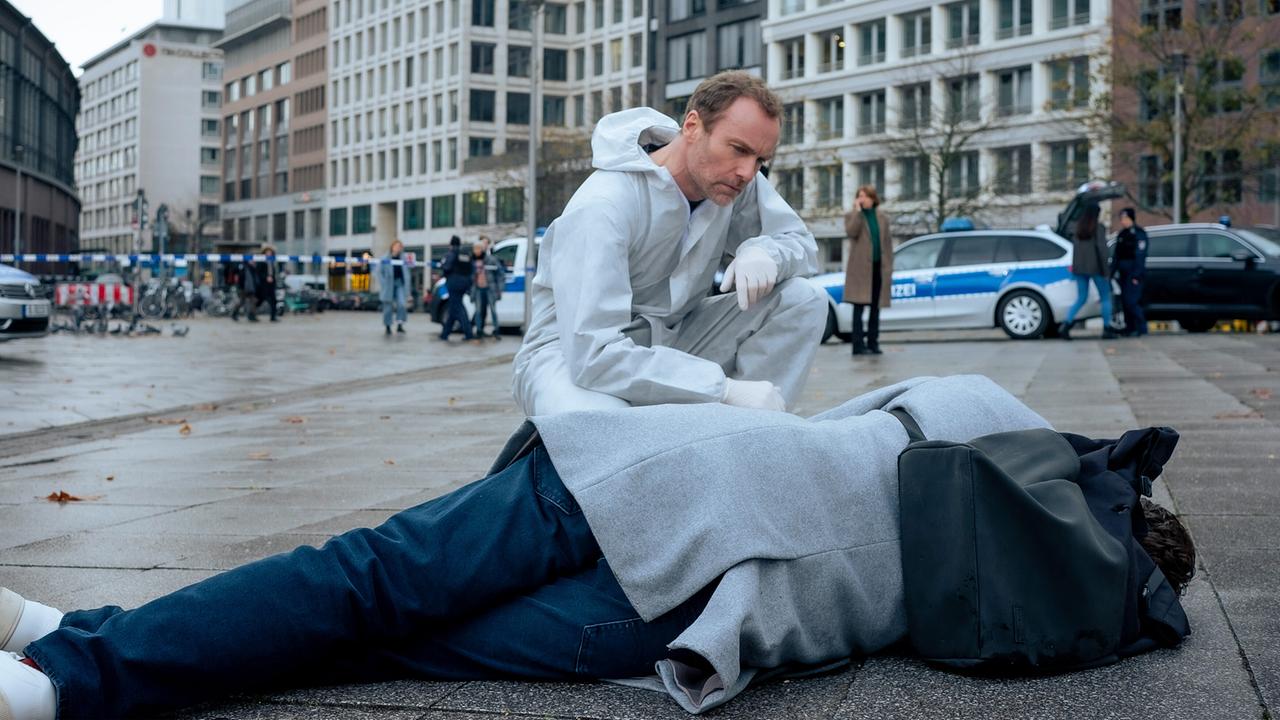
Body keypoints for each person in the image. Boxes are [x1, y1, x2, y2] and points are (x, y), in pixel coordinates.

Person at [0, 375, 1196, 720]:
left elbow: (847, 419)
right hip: (683, 610)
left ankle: (77, 661)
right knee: (394, 637)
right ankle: (77, 657)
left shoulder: (992, 412)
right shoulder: (1024, 606)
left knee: (365, 577)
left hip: (658, 476)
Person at [512, 70, 827, 416]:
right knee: (598, 424)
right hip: (569, 356)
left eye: (760, 160)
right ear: (692, 127)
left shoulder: (734, 185)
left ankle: (746, 435)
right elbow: (593, 355)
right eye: (738, 150)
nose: (748, 172)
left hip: (675, 341)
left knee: (802, 299)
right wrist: (722, 389)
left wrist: (766, 251)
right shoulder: (605, 205)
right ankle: (722, 414)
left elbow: (800, 244)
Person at [843, 185, 893, 356]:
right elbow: (851, 232)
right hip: (860, 270)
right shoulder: (852, 216)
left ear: (873, 198)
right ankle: (858, 346)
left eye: (865, 196)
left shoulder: (882, 218)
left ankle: (873, 343)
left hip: (878, 268)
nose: (862, 199)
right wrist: (857, 212)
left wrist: (889, 266)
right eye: (859, 196)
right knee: (859, 307)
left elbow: (887, 243)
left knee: (875, 308)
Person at [1056, 202, 1118, 340]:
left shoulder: (1077, 228)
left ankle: (1066, 325)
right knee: (1105, 297)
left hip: (1079, 268)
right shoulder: (1098, 228)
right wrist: (1106, 270)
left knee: (1081, 298)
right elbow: (1102, 250)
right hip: (1096, 268)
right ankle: (1107, 328)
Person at [1114, 208, 1148, 337]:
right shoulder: (1122, 234)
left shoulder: (1139, 234)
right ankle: (1130, 327)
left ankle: (1141, 328)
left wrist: (1136, 275)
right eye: (1122, 219)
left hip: (1133, 273)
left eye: (1125, 218)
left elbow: (1140, 256)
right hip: (1122, 273)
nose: (1123, 221)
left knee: (1131, 301)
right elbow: (1117, 255)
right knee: (1125, 301)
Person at [438, 236, 475, 342]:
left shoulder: (450, 254)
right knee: (454, 308)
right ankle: (445, 333)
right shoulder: (466, 255)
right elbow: (472, 269)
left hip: (453, 283)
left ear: (451, 244)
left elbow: (446, 267)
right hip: (465, 284)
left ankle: (468, 333)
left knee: (458, 308)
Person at [472, 235, 505, 339]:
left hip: (489, 289)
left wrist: (499, 289)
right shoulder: (473, 261)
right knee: (478, 311)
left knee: (493, 310)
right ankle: (479, 330)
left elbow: (500, 274)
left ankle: (496, 330)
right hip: (478, 288)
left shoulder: (491, 259)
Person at [378, 240, 410, 335]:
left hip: (400, 284)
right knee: (388, 307)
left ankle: (400, 324)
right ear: (392, 247)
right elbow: (379, 272)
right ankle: (387, 326)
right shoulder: (385, 258)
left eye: (400, 246)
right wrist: (384, 283)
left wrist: (407, 288)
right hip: (389, 285)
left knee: (402, 304)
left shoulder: (403, 259)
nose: (398, 248)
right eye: (396, 246)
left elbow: (407, 273)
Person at [255, 246, 281, 323]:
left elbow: (273, 272)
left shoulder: (272, 262)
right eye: (267, 252)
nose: (269, 253)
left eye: (270, 252)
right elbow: (258, 272)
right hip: (263, 285)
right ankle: (251, 313)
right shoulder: (261, 261)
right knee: (260, 300)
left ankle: (273, 317)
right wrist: (266, 277)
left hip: (271, 285)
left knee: (273, 300)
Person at [229, 255, 258, 322]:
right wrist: (241, 287)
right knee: (242, 301)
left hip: (250, 288)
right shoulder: (244, 268)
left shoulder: (251, 268)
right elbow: (241, 279)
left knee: (252, 301)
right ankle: (234, 314)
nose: (253, 261)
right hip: (244, 288)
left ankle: (251, 316)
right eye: (251, 260)